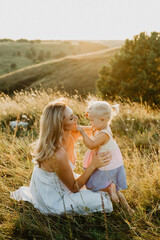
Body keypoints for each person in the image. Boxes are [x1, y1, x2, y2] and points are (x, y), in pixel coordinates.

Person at [10, 100, 113, 215]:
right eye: (71, 118)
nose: (76, 118)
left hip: (62, 183)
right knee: (103, 199)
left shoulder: (72, 132)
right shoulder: (57, 153)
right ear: (60, 125)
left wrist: (98, 116)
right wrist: (93, 164)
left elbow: (100, 129)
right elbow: (74, 187)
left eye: (73, 114)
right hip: (53, 198)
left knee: (103, 184)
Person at [77, 101, 134, 214]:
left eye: (92, 120)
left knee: (93, 185)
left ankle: (109, 188)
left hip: (107, 165)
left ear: (103, 119)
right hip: (112, 163)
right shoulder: (103, 126)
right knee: (117, 192)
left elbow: (91, 145)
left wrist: (82, 132)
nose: (90, 122)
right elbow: (96, 122)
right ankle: (129, 209)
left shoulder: (103, 134)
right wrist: (92, 115)